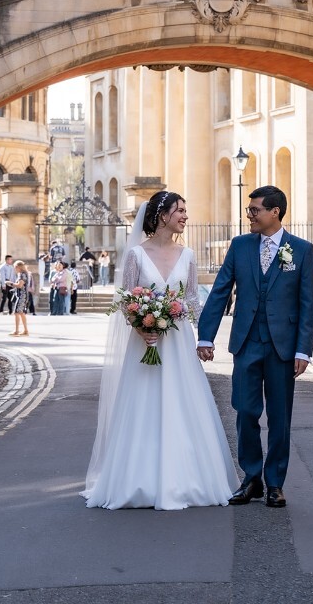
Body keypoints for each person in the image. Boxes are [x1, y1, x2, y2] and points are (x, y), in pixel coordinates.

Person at [83, 191, 239, 510]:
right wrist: (142, 326)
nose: (185, 216)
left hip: (178, 342)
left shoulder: (188, 255)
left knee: (183, 404)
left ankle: (187, 479)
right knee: (144, 405)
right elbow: (126, 300)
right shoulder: (136, 255)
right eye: (179, 210)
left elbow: (192, 299)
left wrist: (200, 333)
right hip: (145, 342)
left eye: (185, 210)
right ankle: (138, 480)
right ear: (162, 215)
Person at [197, 185, 313, 509]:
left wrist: (303, 350)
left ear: (275, 212)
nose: (249, 215)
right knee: (245, 410)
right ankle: (251, 478)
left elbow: (307, 304)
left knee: (279, 417)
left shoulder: (301, 250)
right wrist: (206, 336)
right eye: (249, 210)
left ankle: (275, 483)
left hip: (283, 348)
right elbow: (220, 290)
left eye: (254, 210)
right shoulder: (240, 246)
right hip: (246, 342)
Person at [10, 261, 31, 337]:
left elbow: (20, 285)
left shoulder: (22, 274)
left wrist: (11, 283)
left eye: (15, 267)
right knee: (21, 313)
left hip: (22, 296)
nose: (15, 269)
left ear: (18, 267)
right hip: (22, 295)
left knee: (17, 312)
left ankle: (17, 330)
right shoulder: (23, 274)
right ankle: (25, 330)